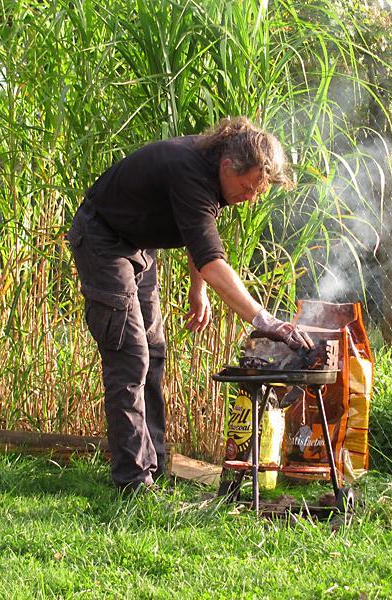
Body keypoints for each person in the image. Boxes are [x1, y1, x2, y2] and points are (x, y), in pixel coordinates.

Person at [67, 117, 313, 494]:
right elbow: (213, 262)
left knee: (153, 351)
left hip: (138, 245)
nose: (248, 201)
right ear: (227, 168)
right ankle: (133, 484)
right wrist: (265, 320)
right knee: (130, 356)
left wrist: (198, 291)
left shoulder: (218, 167)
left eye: (255, 195)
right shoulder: (191, 172)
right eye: (247, 189)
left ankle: (154, 470)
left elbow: (198, 239)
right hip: (103, 237)